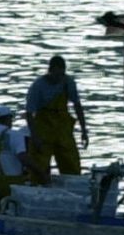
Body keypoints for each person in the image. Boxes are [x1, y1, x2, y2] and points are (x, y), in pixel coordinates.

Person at [25, 54, 88, 184]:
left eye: (62, 75)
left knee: (72, 164)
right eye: (56, 75)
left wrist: (84, 130)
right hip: (43, 130)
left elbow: (77, 105)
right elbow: (29, 114)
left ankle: (73, 190)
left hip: (63, 130)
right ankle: (37, 189)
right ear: (50, 70)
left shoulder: (68, 82)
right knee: (39, 165)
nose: (59, 78)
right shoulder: (37, 86)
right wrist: (34, 136)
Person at [0, 104, 30, 211]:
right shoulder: (15, 135)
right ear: (8, 119)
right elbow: (23, 157)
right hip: (11, 185)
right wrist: (39, 171)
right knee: (11, 212)